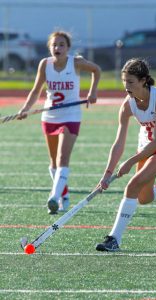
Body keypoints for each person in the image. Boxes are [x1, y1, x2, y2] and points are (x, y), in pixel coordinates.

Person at [96, 58, 156, 252]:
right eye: (124, 82)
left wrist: (130, 162)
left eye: (131, 82)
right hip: (145, 147)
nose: (126, 87)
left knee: (132, 185)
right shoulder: (127, 105)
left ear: (144, 81)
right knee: (144, 198)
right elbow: (119, 142)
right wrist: (107, 173)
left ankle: (114, 239)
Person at [17, 30, 101, 214]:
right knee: (54, 162)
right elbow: (36, 90)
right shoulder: (44, 64)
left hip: (71, 115)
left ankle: (53, 197)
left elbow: (96, 70)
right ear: (50, 47)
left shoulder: (76, 63)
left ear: (68, 48)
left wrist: (92, 92)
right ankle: (64, 196)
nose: (57, 48)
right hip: (50, 116)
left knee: (63, 158)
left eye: (61, 44)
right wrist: (25, 109)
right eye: (54, 45)